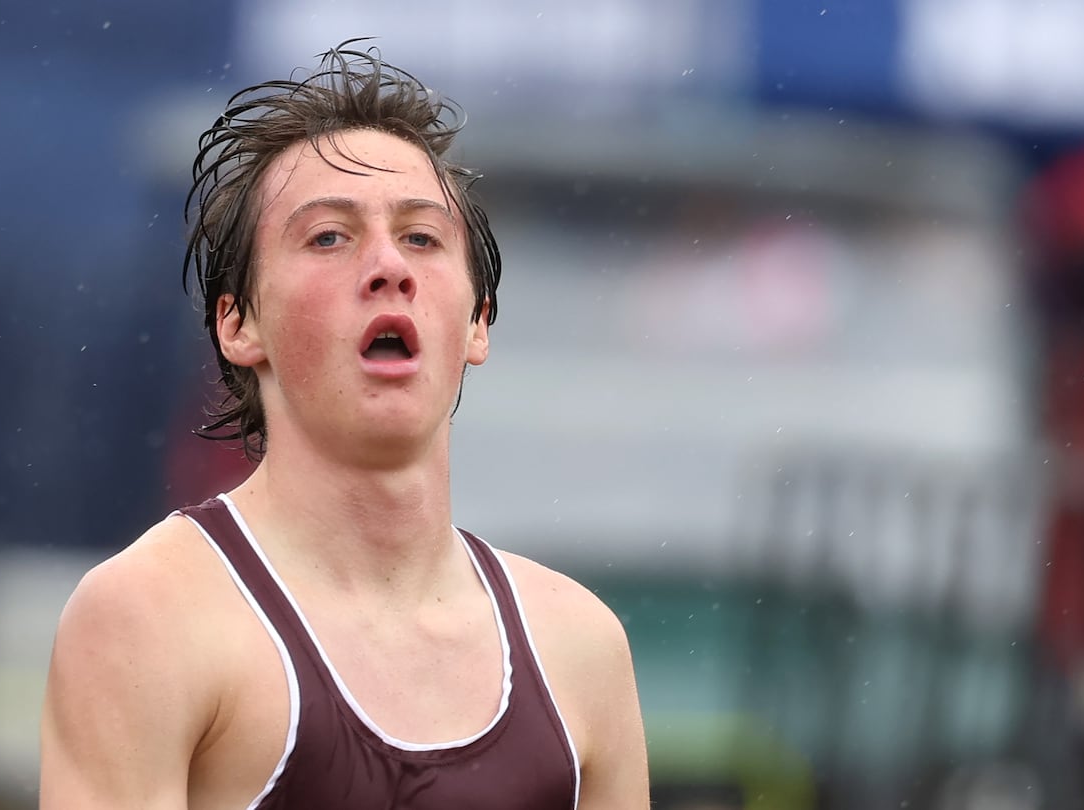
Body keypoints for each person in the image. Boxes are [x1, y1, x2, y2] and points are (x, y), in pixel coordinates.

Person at [40, 40, 649, 809]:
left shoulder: (581, 648)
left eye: (423, 237)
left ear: (477, 324)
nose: (389, 265)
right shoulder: (149, 618)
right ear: (238, 324)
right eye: (329, 235)